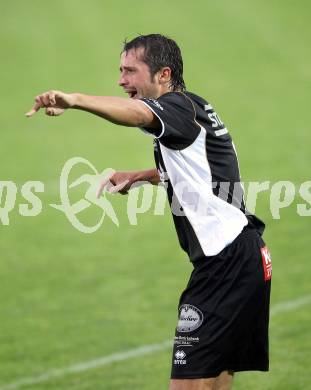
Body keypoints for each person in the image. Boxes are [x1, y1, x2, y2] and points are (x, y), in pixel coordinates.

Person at [26, 34, 272, 390]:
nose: (121, 80)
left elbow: (137, 114)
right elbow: (202, 171)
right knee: (214, 384)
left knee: (186, 385)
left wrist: (75, 100)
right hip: (245, 256)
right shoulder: (193, 107)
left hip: (225, 265)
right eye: (120, 71)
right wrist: (141, 176)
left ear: (163, 74)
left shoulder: (176, 108)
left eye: (130, 71)